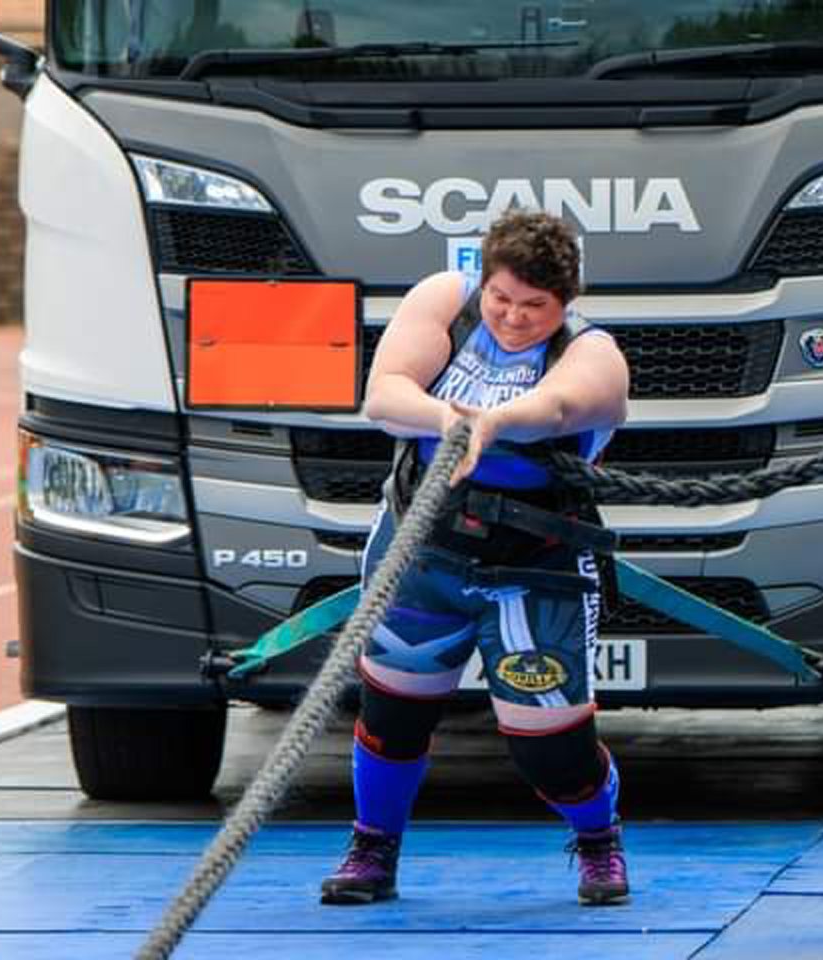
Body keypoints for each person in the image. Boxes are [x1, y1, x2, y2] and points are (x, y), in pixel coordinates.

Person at [320, 210, 633, 906]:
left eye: (535, 307)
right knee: (392, 712)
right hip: (424, 549)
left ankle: (598, 836)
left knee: (549, 749)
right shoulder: (443, 301)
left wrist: (495, 422)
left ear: (566, 303)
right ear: (482, 281)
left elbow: (561, 409)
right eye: (502, 299)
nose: (514, 319)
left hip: (533, 562)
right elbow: (384, 394)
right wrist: (447, 420)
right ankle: (373, 846)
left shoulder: (594, 353)